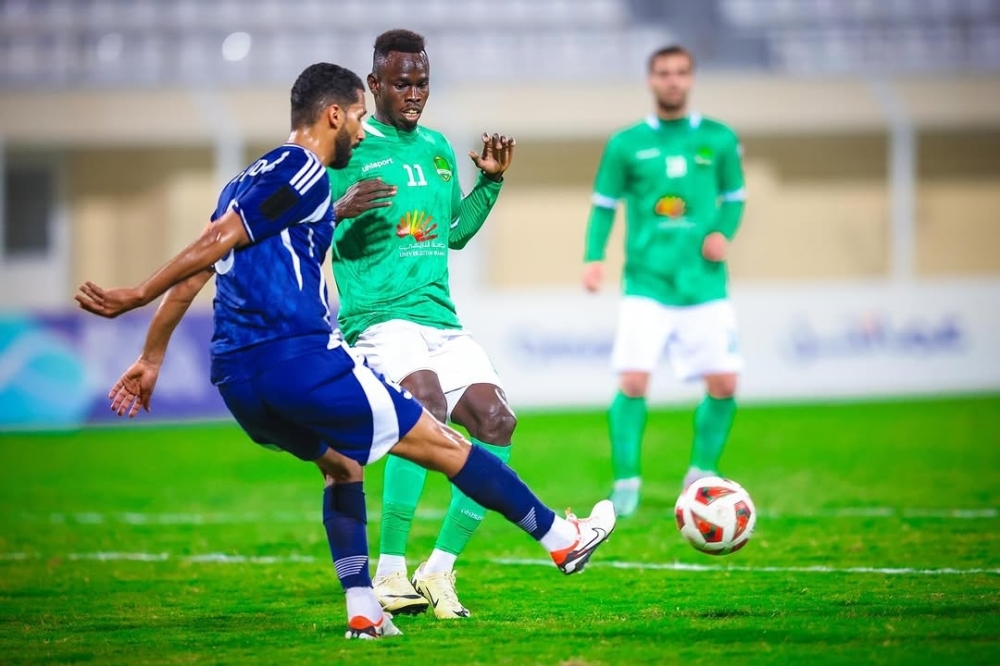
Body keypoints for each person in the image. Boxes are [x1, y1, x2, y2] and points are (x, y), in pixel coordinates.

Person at [74, 62, 616, 641]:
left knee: (341, 466)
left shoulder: (243, 181)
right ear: (333, 114)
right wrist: (137, 294)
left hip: (237, 378)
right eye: (357, 116)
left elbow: (201, 268)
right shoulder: (304, 166)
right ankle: (561, 538)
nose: (361, 130)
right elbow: (215, 241)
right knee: (442, 441)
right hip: (299, 358)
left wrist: (152, 355)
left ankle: (365, 610)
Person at [327, 29, 516, 619]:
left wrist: (490, 183)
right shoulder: (347, 149)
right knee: (426, 407)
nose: (414, 94)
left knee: (497, 420)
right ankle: (389, 572)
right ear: (375, 84)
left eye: (422, 83)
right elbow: (307, 226)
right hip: (378, 317)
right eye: (402, 83)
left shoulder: (436, 148)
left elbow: (454, 233)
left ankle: (438, 571)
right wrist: (339, 208)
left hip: (438, 317)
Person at [582, 45, 747, 518]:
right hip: (647, 283)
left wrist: (723, 232)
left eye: (680, 72)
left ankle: (701, 473)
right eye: (663, 73)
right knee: (633, 380)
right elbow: (603, 205)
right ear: (651, 80)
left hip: (704, 284)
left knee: (725, 382)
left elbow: (736, 197)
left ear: (690, 78)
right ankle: (626, 483)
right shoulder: (626, 144)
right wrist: (594, 257)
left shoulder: (718, 138)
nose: (672, 80)